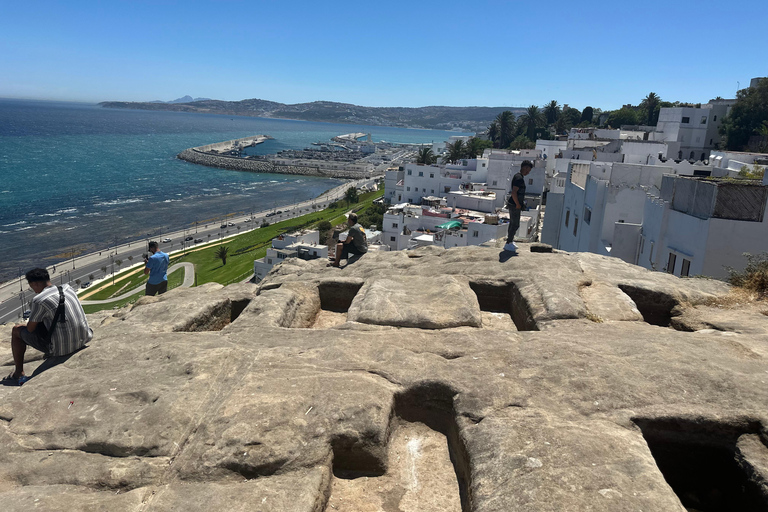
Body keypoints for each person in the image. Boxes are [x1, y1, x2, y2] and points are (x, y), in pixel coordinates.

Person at [5, 268, 92, 383]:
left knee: (16, 330)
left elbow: (30, 329)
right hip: (84, 338)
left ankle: (18, 372)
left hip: (61, 349)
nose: (34, 290)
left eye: (32, 287)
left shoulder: (39, 300)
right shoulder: (67, 287)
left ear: (35, 283)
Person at [504, 160, 533, 253]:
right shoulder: (519, 178)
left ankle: (510, 241)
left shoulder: (519, 177)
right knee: (515, 224)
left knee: (513, 224)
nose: (528, 172)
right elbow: (514, 192)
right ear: (525, 167)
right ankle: (508, 243)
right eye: (528, 170)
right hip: (514, 205)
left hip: (515, 204)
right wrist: (517, 204)